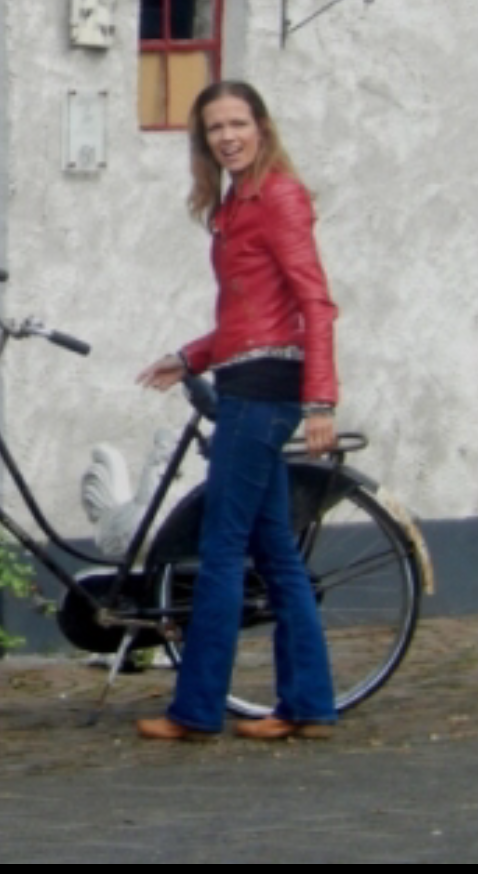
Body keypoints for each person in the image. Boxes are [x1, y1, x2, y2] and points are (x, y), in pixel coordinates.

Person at [133, 79, 340, 743]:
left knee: (222, 549)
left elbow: (314, 304)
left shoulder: (277, 196)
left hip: (263, 393)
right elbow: (250, 315)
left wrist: (321, 401)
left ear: (262, 127)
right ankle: (308, 704)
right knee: (275, 550)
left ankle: (195, 711)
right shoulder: (237, 201)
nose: (227, 137)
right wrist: (190, 356)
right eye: (215, 128)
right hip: (248, 380)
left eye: (237, 124)